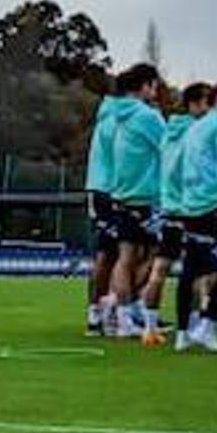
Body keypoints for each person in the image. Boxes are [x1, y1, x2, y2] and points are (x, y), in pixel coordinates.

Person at [174, 82, 217, 355]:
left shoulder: (195, 126)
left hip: (190, 204)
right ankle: (206, 323)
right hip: (214, 203)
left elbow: (182, 165)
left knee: (190, 268)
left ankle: (182, 332)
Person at [140, 82, 211, 345]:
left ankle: (149, 327)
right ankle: (191, 326)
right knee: (197, 270)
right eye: (206, 103)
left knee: (160, 267)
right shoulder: (196, 132)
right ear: (194, 104)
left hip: (168, 205)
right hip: (191, 206)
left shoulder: (169, 130)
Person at [108, 64, 166, 339]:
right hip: (146, 194)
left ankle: (122, 315)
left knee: (125, 256)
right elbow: (168, 149)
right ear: (144, 86)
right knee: (159, 253)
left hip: (121, 192)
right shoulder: (147, 116)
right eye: (153, 86)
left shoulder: (117, 114)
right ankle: (132, 306)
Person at [83, 81, 134, 336]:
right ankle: (104, 310)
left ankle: (102, 310)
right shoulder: (116, 122)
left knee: (111, 252)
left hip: (107, 190)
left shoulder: (109, 118)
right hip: (109, 191)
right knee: (110, 253)